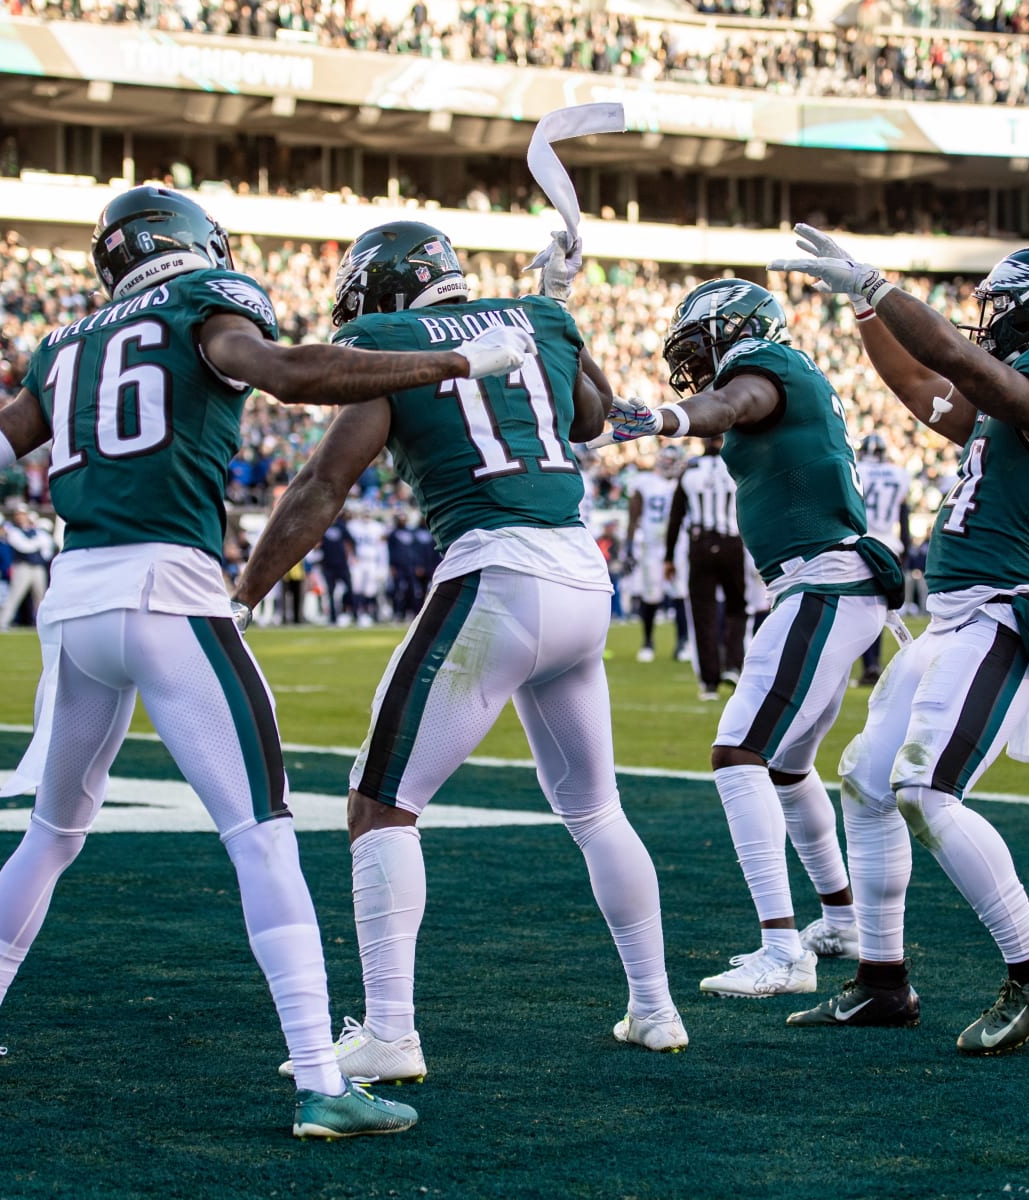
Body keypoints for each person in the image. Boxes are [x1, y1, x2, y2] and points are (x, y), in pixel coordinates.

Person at [0, 186, 532, 1138]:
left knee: (50, 834)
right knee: (262, 834)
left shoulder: (63, 348)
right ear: (191, 244)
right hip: (170, 594)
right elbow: (287, 372)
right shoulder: (205, 301)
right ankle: (318, 1078)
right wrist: (456, 357)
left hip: (75, 604)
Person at [229, 219, 687, 1082]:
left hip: (497, 575)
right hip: (581, 578)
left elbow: (324, 483)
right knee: (596, 810)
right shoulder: (534, 320)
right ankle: (655, 1008)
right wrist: (558, 313)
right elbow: (595, 417)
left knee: (379, 803)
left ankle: (392, 1035)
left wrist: (244, 593)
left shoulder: (385, 340)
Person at [772, 228, 1029, 1054]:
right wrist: (864, 308)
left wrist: (883, 286)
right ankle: (882, 984)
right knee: (867, 778)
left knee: (927, 790)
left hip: (1001, 614)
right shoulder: (1010, 397)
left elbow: (966, 369)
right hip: (952, 617)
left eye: (1006, 304)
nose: (991, 318)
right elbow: (931, 390)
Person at [602, 277, 890, 997]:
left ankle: (782, 950)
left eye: (700, 344)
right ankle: (842, 921)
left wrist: (664, 419)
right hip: (820, 582)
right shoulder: (786, 375)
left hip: (824, 579)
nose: (694, 361)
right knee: (787, 767)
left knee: (739, 754)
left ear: (733, 331)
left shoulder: (770, 368)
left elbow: (733, 403)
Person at [666, 436, 745, 701]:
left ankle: (709, 682)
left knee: (703, 614)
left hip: (700, 545)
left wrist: (668, 556)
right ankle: (734, 664)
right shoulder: (735, 465)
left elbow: (676, 516)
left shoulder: (690, 469)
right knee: (737, 608)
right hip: (731, 542)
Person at [855, 432, 911, 685]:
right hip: (890, 545)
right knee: (880, 609)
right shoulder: (898, 474)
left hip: (863, 544)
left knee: (858, 608)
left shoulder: (857, 470)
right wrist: (907, 548)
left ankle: (868, 665)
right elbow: (903, 513)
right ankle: (876, 662)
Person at [626, 446, 688, 663]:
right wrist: (628, 545)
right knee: (651, 595)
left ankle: (683, 642)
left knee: (681, 593)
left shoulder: (685, 481)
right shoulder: (644, 482)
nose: (670, 465)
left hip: (678, 544)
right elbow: (634, 515)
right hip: (651, 546)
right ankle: (647, 642)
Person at [0, 507, 55, 631]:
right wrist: (38, 543)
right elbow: (25, 546)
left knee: (41, 597)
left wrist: (37, 543)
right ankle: (3, 623)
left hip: (38, 567)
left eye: (23, 514)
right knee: (15, 595)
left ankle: (44, 624)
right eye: (18, 514)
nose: (21, 517)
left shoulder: (37, 532)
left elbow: (48, 548)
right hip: (23, 567)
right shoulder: (13, 531)